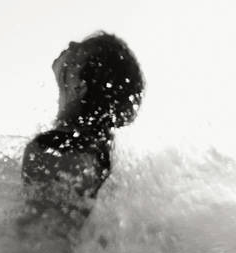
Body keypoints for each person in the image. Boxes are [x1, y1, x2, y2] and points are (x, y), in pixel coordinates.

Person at [19, 31, 144, 231]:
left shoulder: (56, 150)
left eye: (81, 49)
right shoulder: (98, 153)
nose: (71, 43)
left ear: (80, 86)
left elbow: (42, 243)